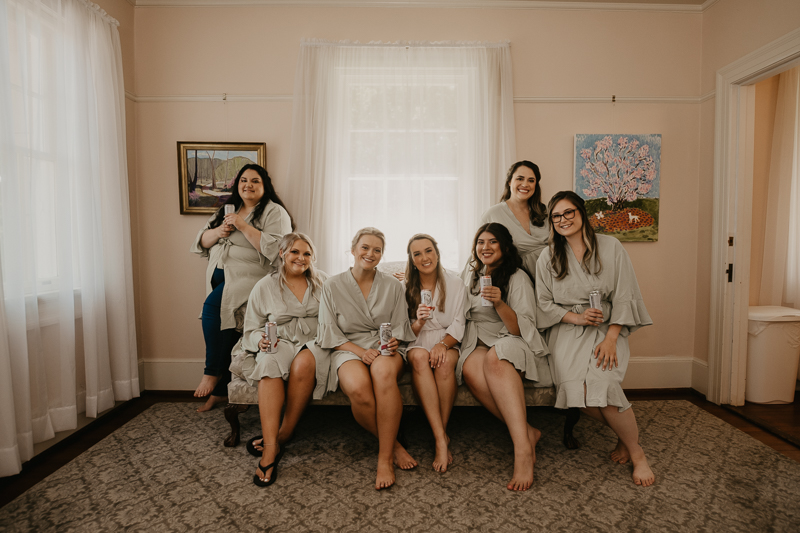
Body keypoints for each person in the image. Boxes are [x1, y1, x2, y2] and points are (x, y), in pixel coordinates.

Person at [535, 190, 655, 487]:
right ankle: (625, 438)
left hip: (607, 327)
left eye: (569, 212)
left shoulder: (611, 247)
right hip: (565, 330)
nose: (563, 220)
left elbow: (625, 293)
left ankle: (636, 452)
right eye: (556, 216)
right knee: (577, 390)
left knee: (604, 383)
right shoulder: (548, 256)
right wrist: (576, 317)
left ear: (582, 213)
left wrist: (612, 337)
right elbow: (544, 303)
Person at [316, 227, 417, 490]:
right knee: (358, 389)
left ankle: (383, 460)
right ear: (353, 250)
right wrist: (361, 352)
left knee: (383, 373)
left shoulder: (393, 286)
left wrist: (393, 340)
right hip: (347, 346)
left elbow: (400, 327)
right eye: (365, 247)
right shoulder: (332, 285)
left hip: (384, 348)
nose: (370, 254)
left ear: (382, 255)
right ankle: (393, 445)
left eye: (377, 250)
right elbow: (329, 332)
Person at [190, 164, 294, 412]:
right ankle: (220, 392)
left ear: (264, 185)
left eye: (255, 181)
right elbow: (201, 241)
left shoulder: (274, 212)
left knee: (212, 309)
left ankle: (211, 373)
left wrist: (243, 226)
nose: (248, 185)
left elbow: (278, 250)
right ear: (237, 185)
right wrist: (219, 231)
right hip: (221, 277)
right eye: (243, 180)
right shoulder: (228, 208)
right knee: (224, 326)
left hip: (251, 277)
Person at [232, 233, 329, 487]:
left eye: (307, 253)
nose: (301, 258)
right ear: (282, 254)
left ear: (313, 258)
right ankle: (271, 448)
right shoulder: (264, 286)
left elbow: (352, 295)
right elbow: (250, 330)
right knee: (268, 362)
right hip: (280, 340)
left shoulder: (325, 282)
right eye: (295, 252)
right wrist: (260, 342)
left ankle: (285, 432)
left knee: (305, 363)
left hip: (316, 341)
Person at [458, 222, 549, 491]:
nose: (485, 247)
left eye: (492, 242)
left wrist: (499, 303)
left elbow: (520, 328)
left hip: (510, 338)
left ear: (505, 246)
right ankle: (528, 432)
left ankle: (521, 449)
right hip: (477, 338)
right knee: (471, 369)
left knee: (494, 359)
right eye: (480, 242)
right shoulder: (471, 274)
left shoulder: (517, 277)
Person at [402, 234, 467, 473]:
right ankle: (441, 438)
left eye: (428, 251)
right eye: (417, 254)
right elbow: (405, 331)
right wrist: (418, 321)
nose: (424, 257)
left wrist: (444, 344)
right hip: (418, 338)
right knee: (419, 357)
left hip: (448, 338)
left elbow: (460, 323)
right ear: (411, 259)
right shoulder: (405, 287)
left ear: (437, 253)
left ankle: (441, 432)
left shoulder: (456, 283)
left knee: (444, 363)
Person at [477, 161, 549, 279]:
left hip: (551, 275)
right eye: (520, 179)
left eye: (531, 180)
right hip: (516, 279)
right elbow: (480, 253)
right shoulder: (492, 215)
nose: (525, 184)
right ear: (510, 181)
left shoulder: (546, 212)